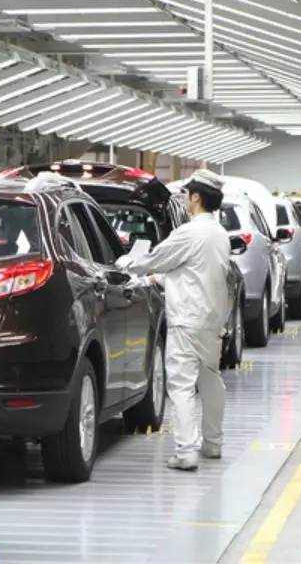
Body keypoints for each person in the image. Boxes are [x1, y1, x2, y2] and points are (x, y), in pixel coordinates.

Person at [115, 169, 231, 471]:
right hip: (212, 320)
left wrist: (127, 263)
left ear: (196, 197)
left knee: (181, 385)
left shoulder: (189, 233)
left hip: (187, 320)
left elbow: (156, 258)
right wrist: (162, 280)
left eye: (186, 195)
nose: (185, 200)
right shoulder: (219, 234)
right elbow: (196, 273)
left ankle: (185, 451)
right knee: (210, 380)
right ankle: (213, 444)